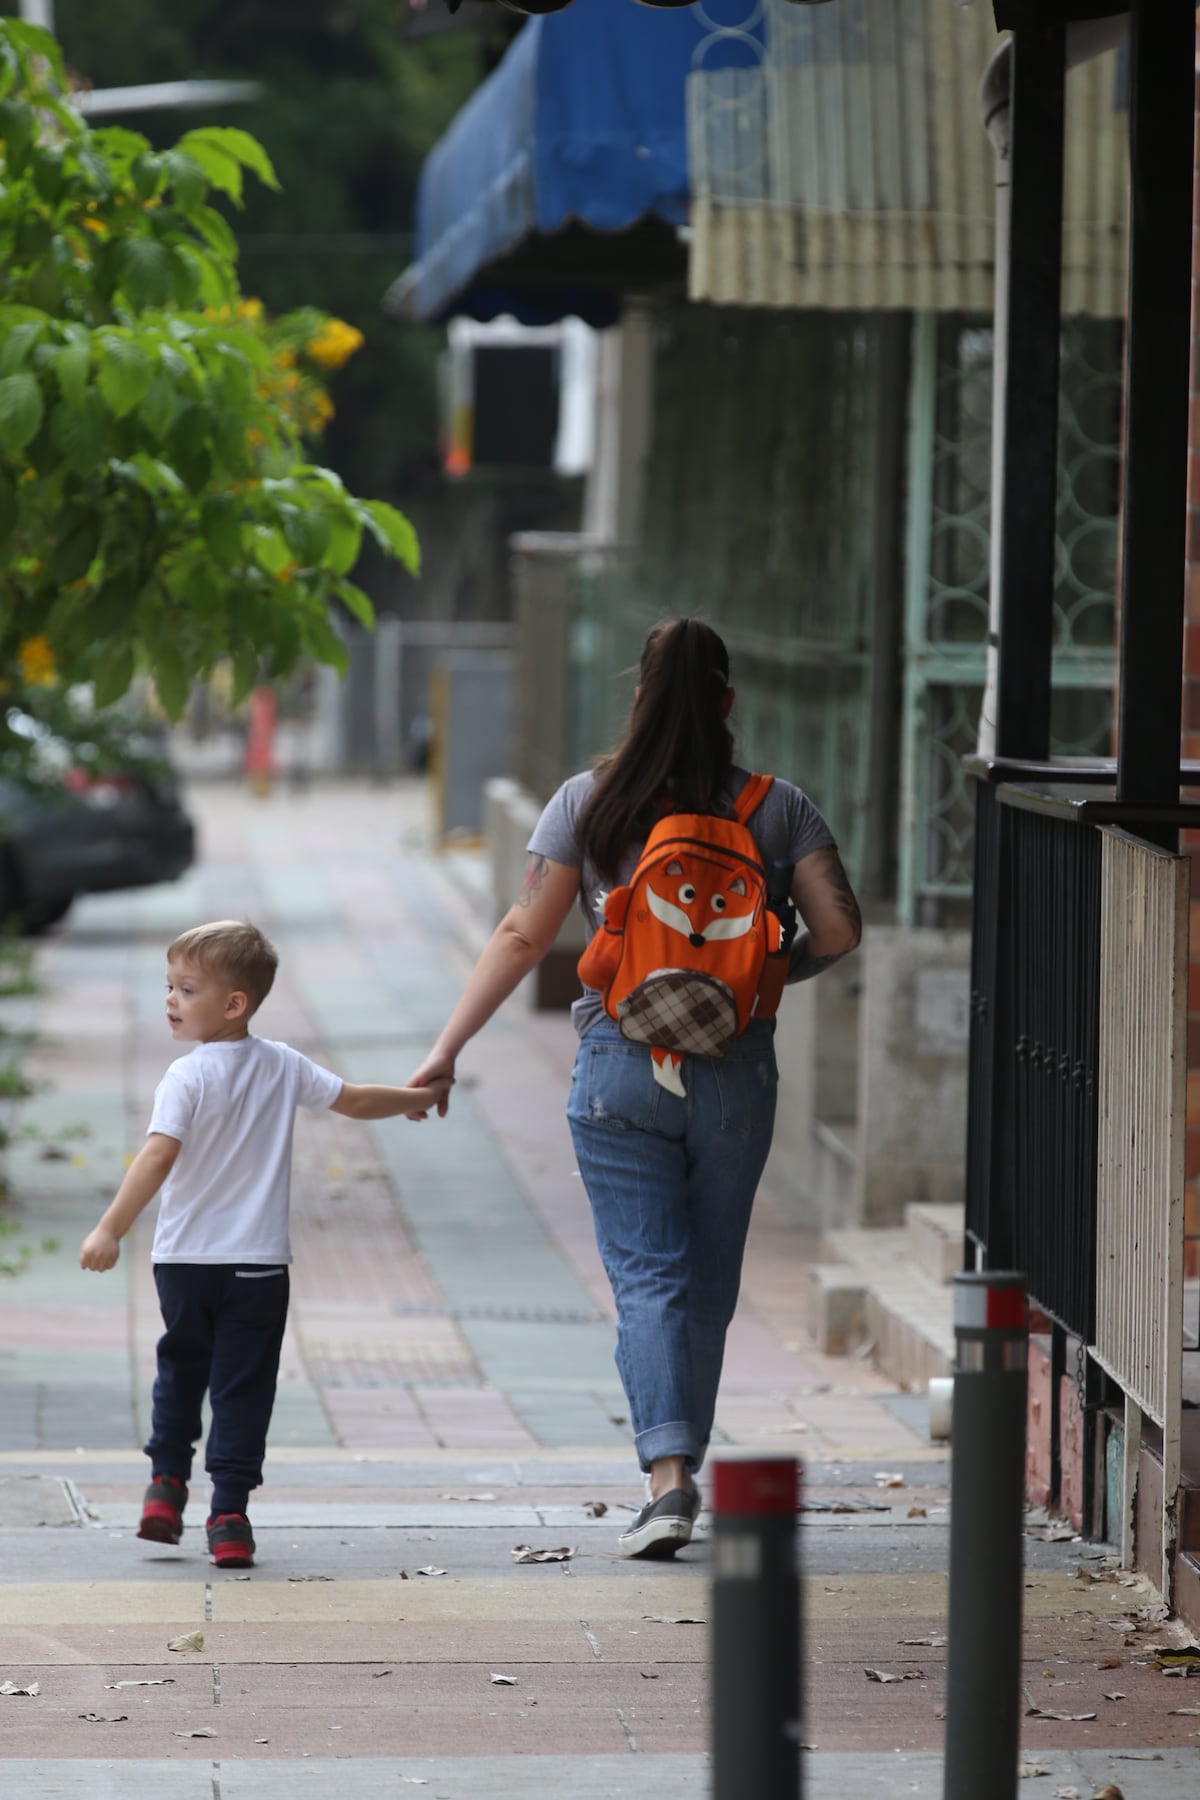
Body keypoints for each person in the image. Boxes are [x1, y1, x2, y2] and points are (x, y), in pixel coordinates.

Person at [406, 618, 861, 1559]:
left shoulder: (588, 801)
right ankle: (679, 1469)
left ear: (638, 698)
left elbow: (523, 936)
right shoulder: (781, 810)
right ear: (730, 703)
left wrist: (446, 1048)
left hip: (618, 1062)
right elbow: (841, 931)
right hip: (737, 1069)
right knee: (707, 1284)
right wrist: (763, 982)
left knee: (646, 1277)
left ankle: (668, 1481)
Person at [79, 919, 450, 1570]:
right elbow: (357, 1101)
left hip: (185, 1262)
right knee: (243, 1387)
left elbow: (157, 1159)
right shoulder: (282, 1065)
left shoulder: (185, 1077)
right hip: (258, 1265)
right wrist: (419, 1097)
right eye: (169, 986)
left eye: (185, 989)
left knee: (181, 1369)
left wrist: (110, 1227)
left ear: (233, 1004)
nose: (169, 999)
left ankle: (165, 1487)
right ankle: (229, 1515)